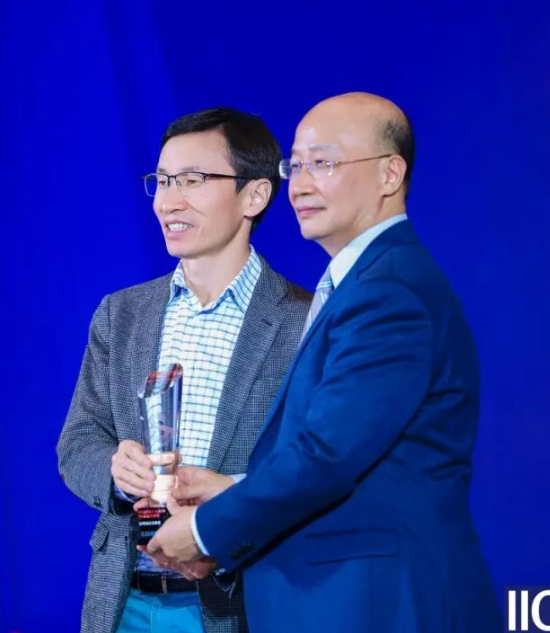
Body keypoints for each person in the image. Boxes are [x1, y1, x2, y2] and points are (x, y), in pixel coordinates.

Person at [145, 93, 502, 632]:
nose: (301, 185)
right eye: (296, 166)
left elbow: (327, 456)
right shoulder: (361, 282)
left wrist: (204, 531)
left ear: (389, 174)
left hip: (380, 603)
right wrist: (236, 488)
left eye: (324, 163)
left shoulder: (389, 291)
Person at [56, 106, 312, 633]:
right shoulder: (122, 314)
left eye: (192, 180)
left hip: (237, 599)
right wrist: (114, 471)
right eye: (162, 180)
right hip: (124, 599)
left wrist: (229, 499)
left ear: (255, 195)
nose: (168, 201)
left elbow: (314, 467)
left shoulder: (304, 321)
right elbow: (77, 442)